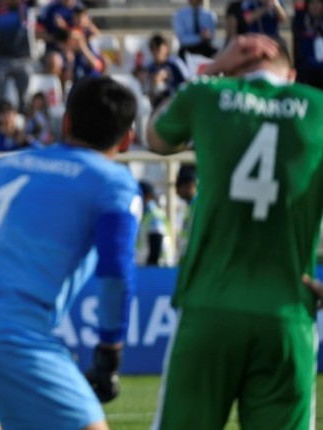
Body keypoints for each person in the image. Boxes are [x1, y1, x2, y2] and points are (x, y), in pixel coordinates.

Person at [0, 76, 139, 430]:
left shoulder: (2, 168)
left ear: (65, 123)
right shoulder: (112, 182)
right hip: (8, 334)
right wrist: (110, 349)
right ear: (127, 139)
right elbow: (116, 271)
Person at [146, 34, 323, 429]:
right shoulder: (319, 109)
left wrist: (210, 71)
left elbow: (155, 136)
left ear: (235, 68)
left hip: (209, 305)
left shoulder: (209, 93)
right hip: (286, 311)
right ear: (291, 75)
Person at [137, 181, 172, 266]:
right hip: (153, 269)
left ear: (148, 196)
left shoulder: (154, 215)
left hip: (158, 270)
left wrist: (149, 272)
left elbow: (156, 247)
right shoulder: (146, 215)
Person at [292, 0, 323, 89]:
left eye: (318, 3)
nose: (315, 6)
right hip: (306, 66)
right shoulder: (301, 19)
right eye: (312, 3)